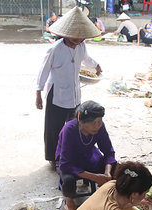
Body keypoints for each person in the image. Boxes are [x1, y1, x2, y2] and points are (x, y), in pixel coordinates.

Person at [36, 7, 103, 167]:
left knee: (74, 128)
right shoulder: (55, 49)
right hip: (57, 95)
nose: (76, 39)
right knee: (54, 130)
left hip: (74, 95)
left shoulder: (81, 46)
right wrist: (38, 92)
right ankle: (53, 158)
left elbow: (85, 59)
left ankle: (70, 154)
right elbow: (43, 71)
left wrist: (96, 66)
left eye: (80, 36)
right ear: (65, 33)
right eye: (73, 36)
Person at [56, 101, 117, 210]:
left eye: (100, 121)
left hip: (89, 155)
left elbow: (108, 151)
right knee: (68, 179)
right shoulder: (69, 129)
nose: (98, 126)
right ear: (81, 121)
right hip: (68, 160)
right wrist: (95, 177)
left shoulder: (100, 127)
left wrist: (107, 172)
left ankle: (112, 196)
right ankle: (69, 202)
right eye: (93, 123)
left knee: (116, 168)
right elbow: (65, 164)